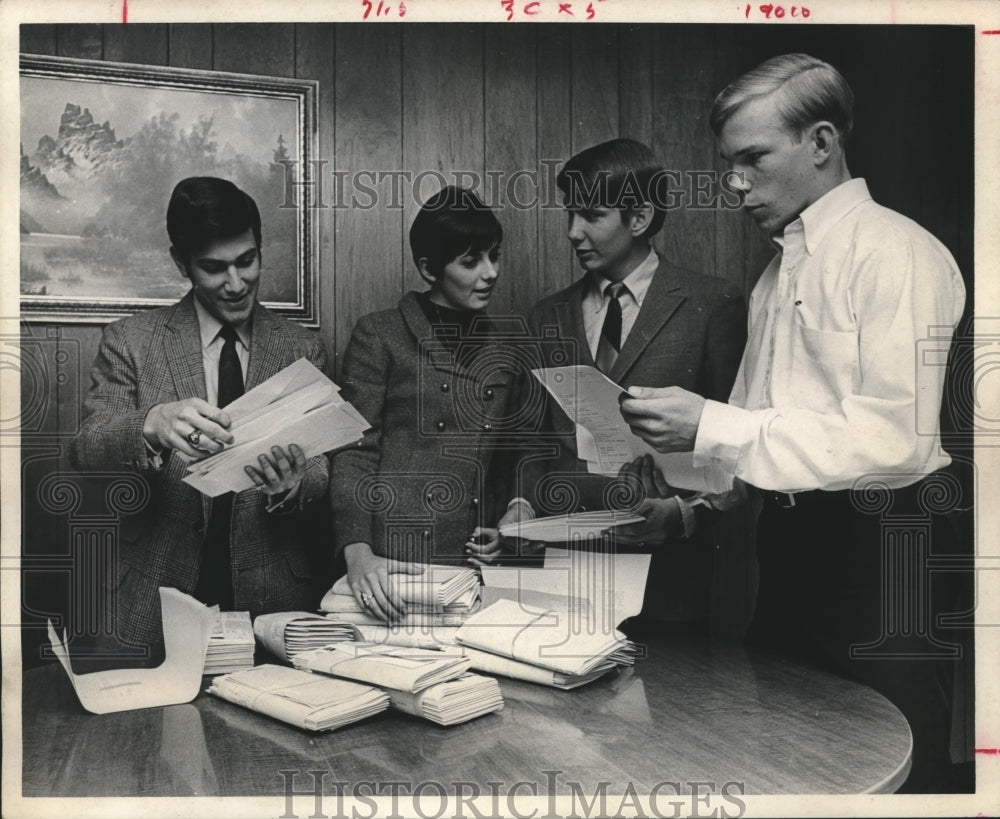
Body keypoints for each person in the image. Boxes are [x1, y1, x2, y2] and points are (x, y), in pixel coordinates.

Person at [619, 54, 968, 791]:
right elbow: (760, 432)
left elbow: (891, 442)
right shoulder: (775, 273)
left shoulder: (895, 254)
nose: (734, 183)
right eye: (729, 163)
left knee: (898, 762)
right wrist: (686, 512)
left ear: (820, 143)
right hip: (790, 549)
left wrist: (709, 422)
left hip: (884, 550)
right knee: (796, 757)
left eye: (752, 158)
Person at [70, 176, 330, 656]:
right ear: (181, 262)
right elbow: (88, 447)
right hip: (151, 596)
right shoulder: (131, 340)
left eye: (247, 261)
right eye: (214, 268)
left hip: (273, 598)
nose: (236, 284)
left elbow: (320, 467)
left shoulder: (301, 347)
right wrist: (150, 424)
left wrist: (294, 483)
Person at [499, 138, 747, 629]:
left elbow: (735, 447)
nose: (574, 231)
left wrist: (682, 514)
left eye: (591, 215)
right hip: (562, 568)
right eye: (570, 214)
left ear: (639, 218)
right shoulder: (546, 316)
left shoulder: (713, 305)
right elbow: (529, 441)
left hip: (670, 580)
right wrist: (520, 506)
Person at [331, 186, 519, 622]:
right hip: (391, 564)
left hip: (475, 570)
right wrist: (356, 553)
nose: (489, 273)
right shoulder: (379, 335)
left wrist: (509, 523)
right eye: (470, 262)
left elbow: (515, 456)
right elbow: (354, 452)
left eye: (494, 255)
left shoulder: (508, 348)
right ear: (429, 268)